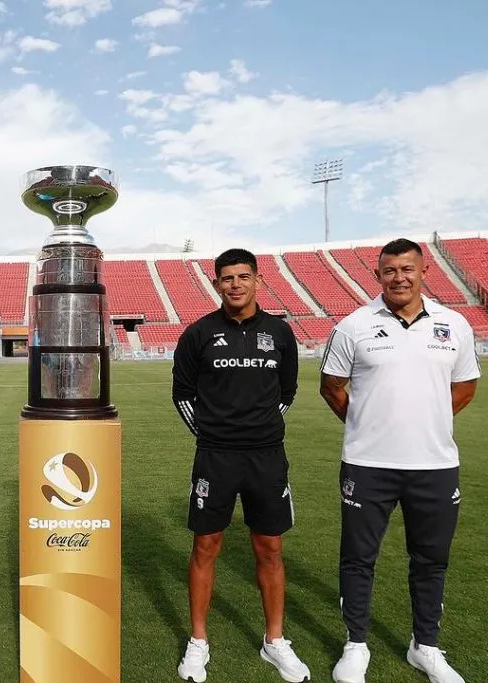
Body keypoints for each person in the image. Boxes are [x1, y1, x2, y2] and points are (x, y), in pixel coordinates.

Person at [319, 238, 480, 683]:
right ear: (378, 275)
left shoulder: (454, 324)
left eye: (407, 268)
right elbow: (332, 386)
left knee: (430, 560)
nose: (399, 277)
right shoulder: (354, 326)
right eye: (389, 270)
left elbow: (465, 387)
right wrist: (368, 424)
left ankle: (425, 647)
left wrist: (426, 419)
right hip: (367, 464)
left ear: (423, 270)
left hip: (434, 464)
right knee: (357, 558)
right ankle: (356, 645)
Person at [172, 248, 312, 683]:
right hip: (215, 457)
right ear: (217, 284)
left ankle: (275, 641)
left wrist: (261, 430)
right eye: (227, 278)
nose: (235, 284)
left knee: (269, 548)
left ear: (258, 281)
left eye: (243, 277)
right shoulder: (198, 334)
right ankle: (199, 642)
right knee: (205, 546)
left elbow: (286, 391)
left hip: (267, 457)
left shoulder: (280, 333)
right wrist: (214, 435)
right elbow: (182, 393)